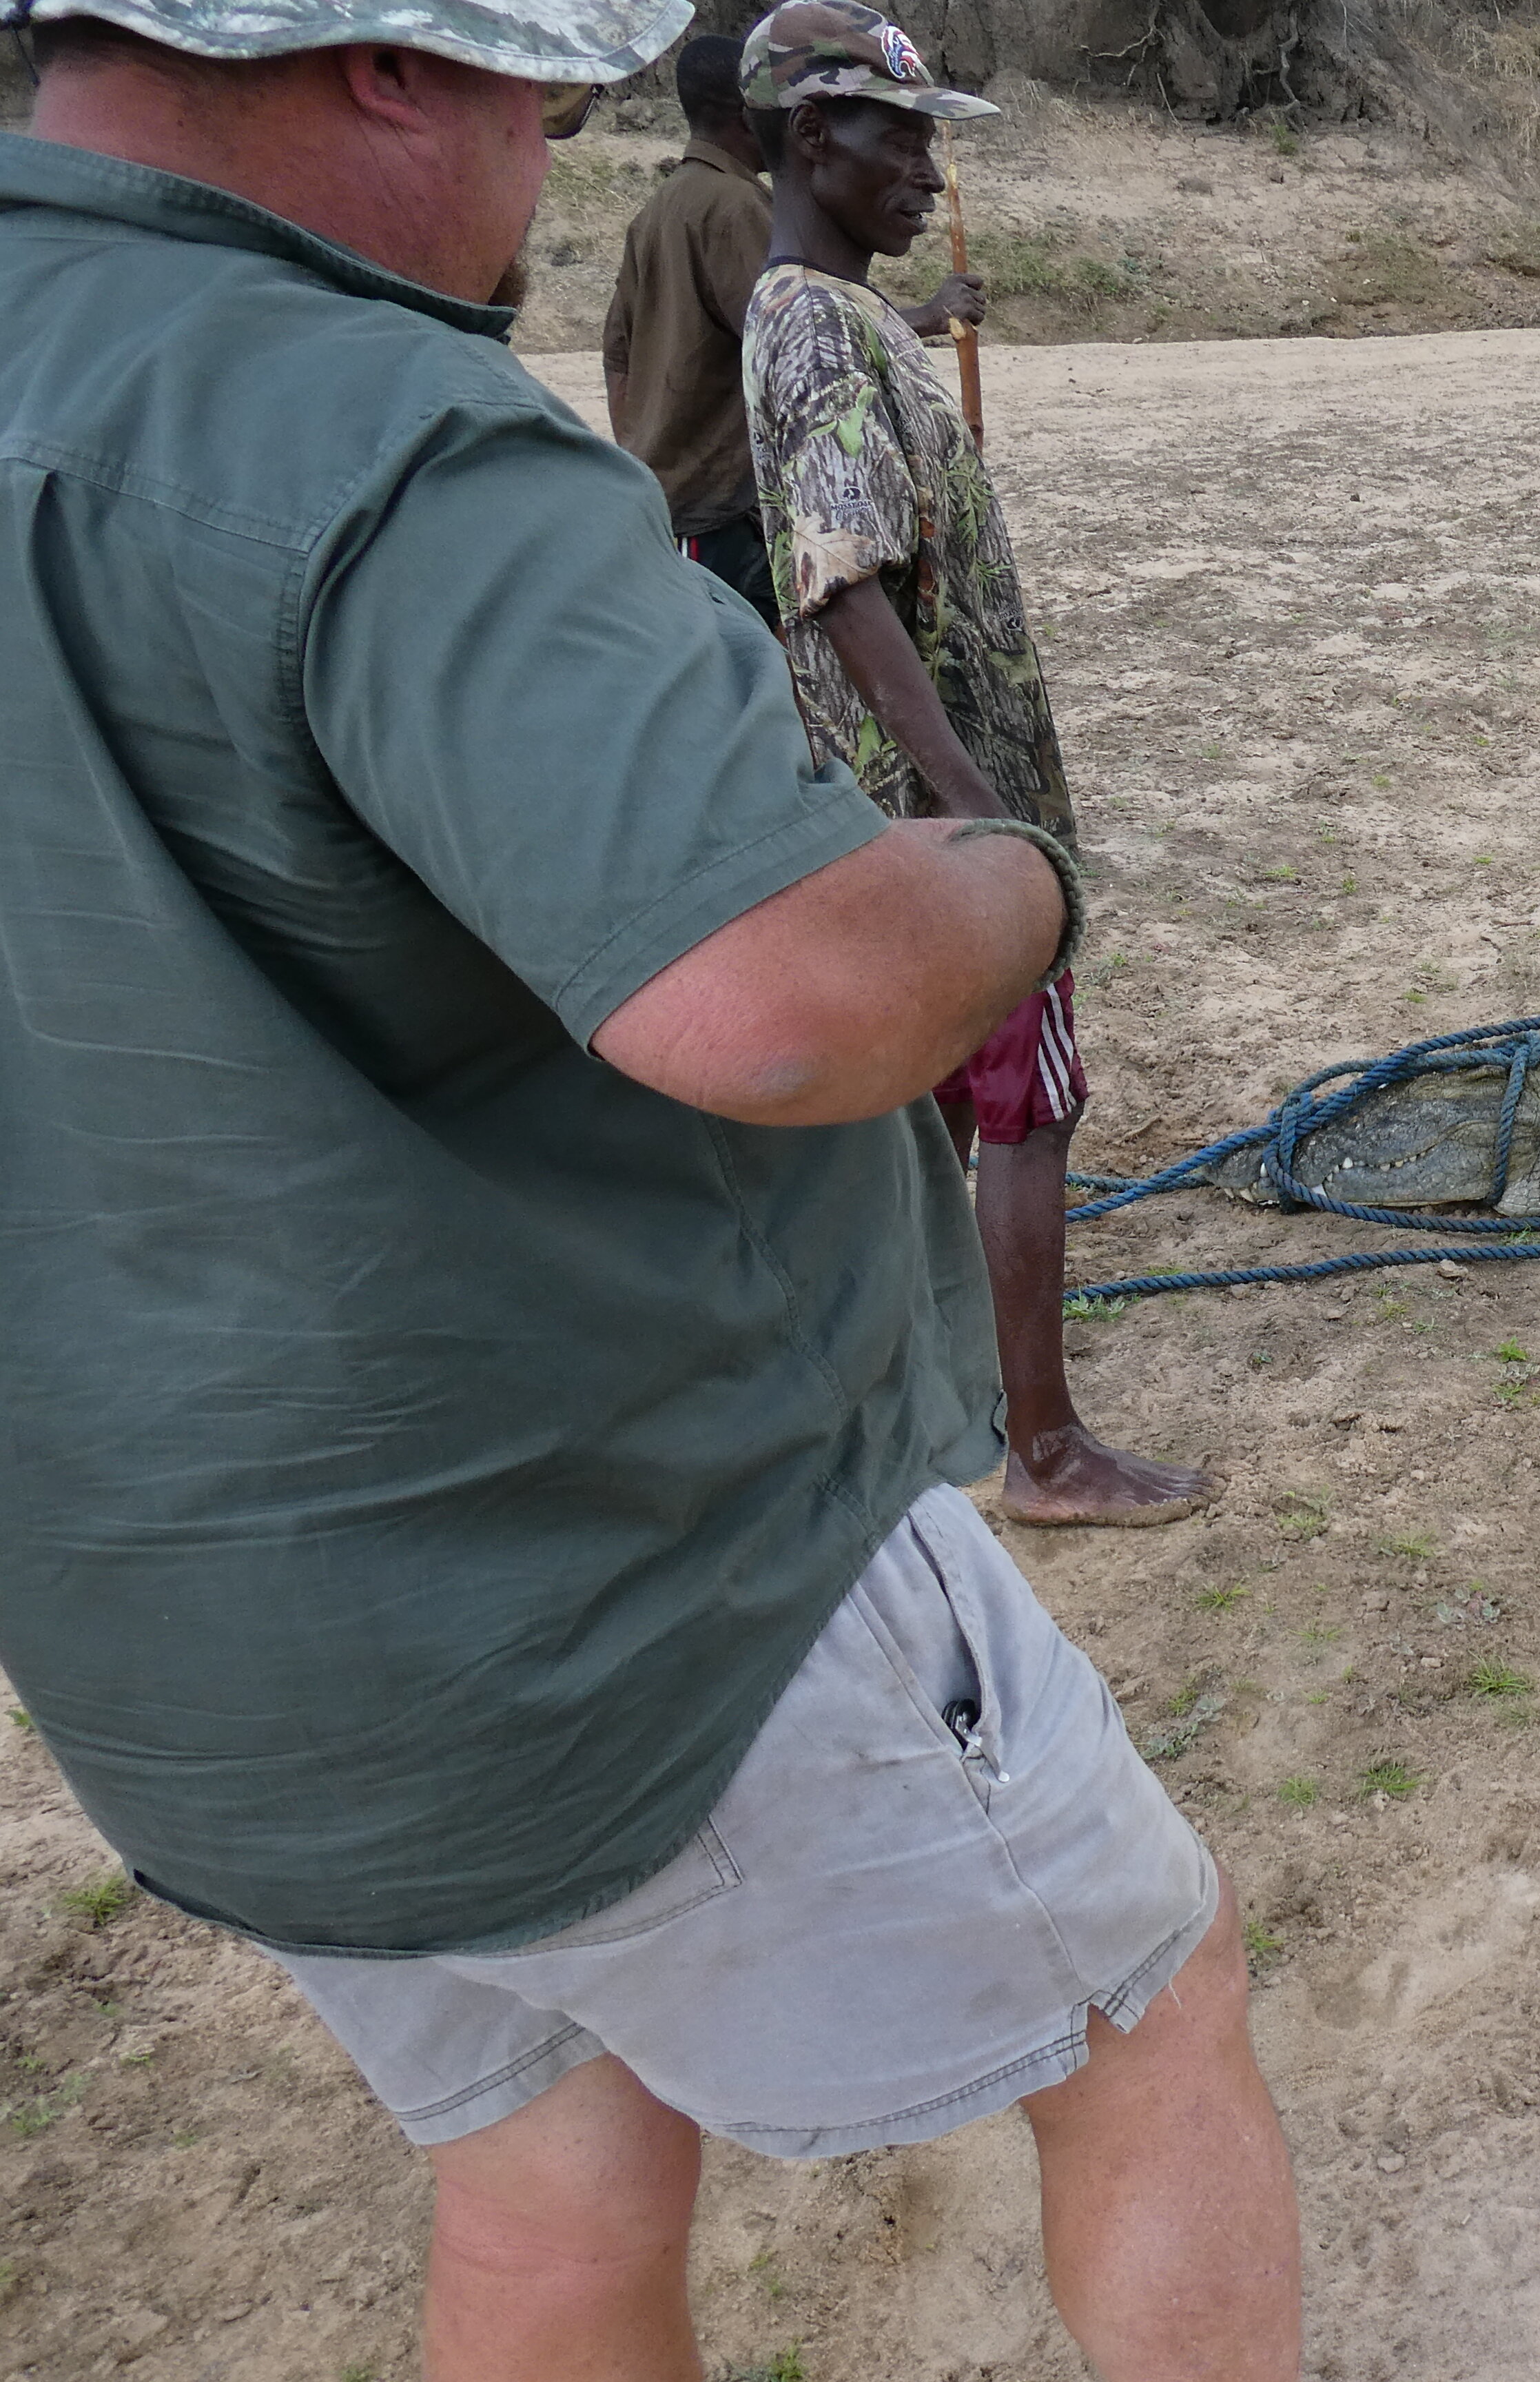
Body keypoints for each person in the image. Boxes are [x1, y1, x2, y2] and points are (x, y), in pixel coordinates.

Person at [0, 6, 1300, 2377]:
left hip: (176, 1642)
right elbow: (784, 1001)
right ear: (388, 68)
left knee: (547, 2163)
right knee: (1147, 2009)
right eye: (529, 91)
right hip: (608, 1592)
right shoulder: (372, 434)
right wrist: (1001, 871)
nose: (554, 144)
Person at [739, 0, 1214, 1528]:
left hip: (914, 816)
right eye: (905, 134)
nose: (930, 168)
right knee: (1030, 1106)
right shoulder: (810, 321)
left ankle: (912, 1398)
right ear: (816, 137)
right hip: (938, 829)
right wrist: (976, 812)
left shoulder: (841, 312)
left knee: (934, 1113)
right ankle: (1047, 1450)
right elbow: (843, 578)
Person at [599, 28, 980, 627]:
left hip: (673, 509)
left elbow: (617, 358)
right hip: (726, 519)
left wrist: (650, 455)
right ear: (754, 115)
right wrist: (931, 316)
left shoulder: (659, 209)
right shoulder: (734, 207)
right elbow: (796, 332)